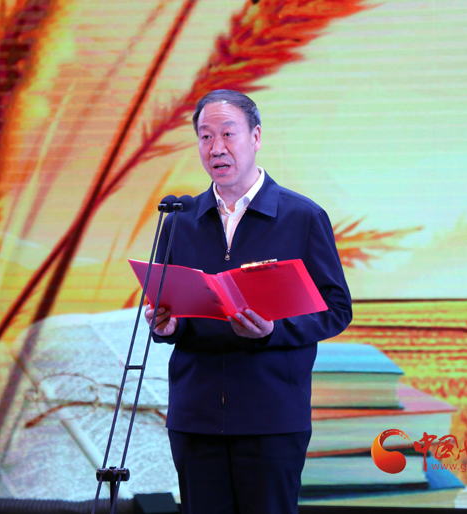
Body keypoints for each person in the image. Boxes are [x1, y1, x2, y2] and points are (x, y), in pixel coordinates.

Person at [144, 89, 352, 514]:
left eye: (228, 133)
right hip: (196, 416)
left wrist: (273, 331)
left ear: (255, 137)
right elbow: (169, 306)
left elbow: (336, 310)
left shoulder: (302, 216)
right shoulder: (180, 220)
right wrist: (166, 326)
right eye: (205, 136)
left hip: (271, 416)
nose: (216, 148)